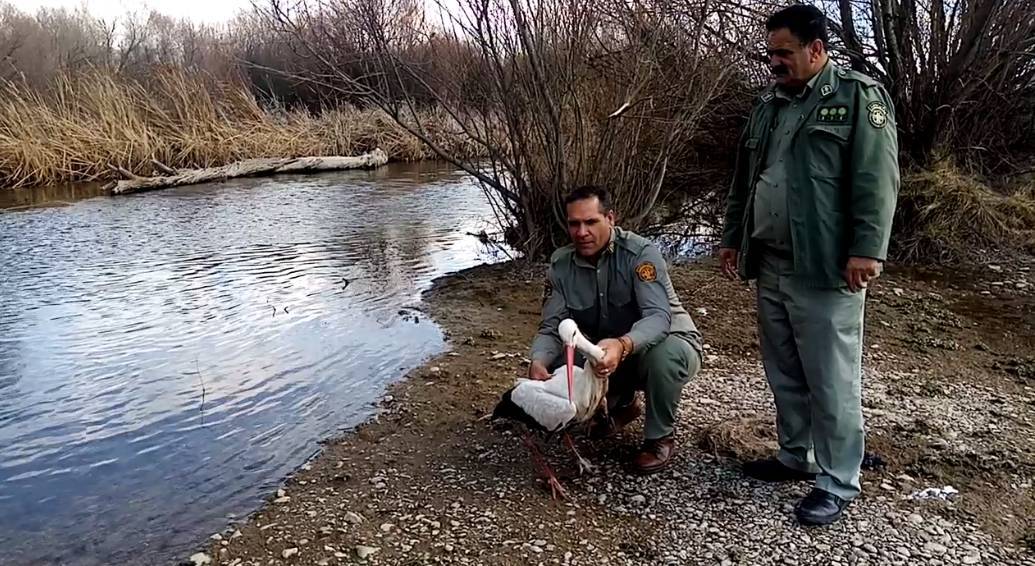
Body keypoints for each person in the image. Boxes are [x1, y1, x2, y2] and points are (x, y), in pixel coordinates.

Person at [718, 4, 899, 525]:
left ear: (816, 48)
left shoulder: (857, 97)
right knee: (784, 371)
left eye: (784, 53)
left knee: (831, 377)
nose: (774, 62)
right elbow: (744, 180)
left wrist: (868, 249)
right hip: (772, 263)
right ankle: (797, 455)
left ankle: (839, 479)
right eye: (770, 52)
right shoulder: (768, 105)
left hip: (824, 266)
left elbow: (876, 181)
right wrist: (733, 237)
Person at [528, 185, 703, 474]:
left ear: (610, 218)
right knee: (563, 363)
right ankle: (621, 405)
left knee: (664, 357)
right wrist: (538, 360)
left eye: (591, 222)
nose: (581, 232)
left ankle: (659, 437)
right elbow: (551, 327)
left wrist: (623, 345)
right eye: (574, 224)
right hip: (605, 351)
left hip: (662, 342)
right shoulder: (560, 265)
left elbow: (658, 317)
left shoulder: (640, 254)